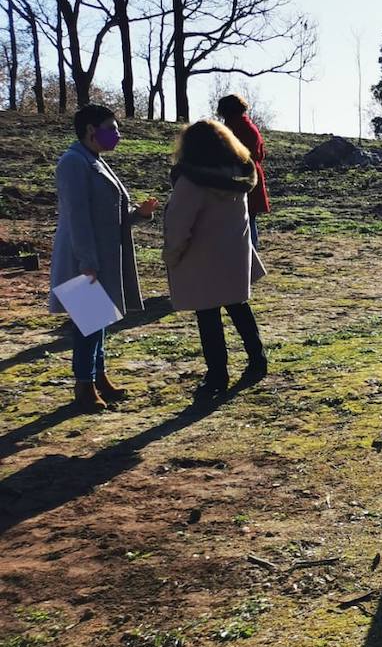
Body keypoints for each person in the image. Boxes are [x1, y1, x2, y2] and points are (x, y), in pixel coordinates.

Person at [49, 105, 159, 412]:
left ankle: (99, 378)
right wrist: (87, 262)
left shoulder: (93, 159)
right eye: (111, 128)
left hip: (101, 255)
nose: (117, 134)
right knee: (88, 324)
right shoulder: (73, 163)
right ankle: (84, 386)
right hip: (83, 257)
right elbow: (78, 216)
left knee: (98, 321)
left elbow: (110, 214)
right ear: (90, 130)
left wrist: (139, 215)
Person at [162, 119, 268, 401]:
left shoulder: (192, 182)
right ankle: (257, 359)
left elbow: (179, 224)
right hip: (233, 256)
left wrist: (172, 254)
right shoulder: (238, 174)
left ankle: (217, 376)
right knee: (239, 307)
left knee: (208, 317)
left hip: (201, 259)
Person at [217, 94, 270, 248]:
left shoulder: (233, 129)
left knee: (244, 218)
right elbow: (260, 154)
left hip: (241, 177)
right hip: (252, 175)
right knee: (249, 218)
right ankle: (251, 251)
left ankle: (249, 254)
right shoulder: (249, 126)